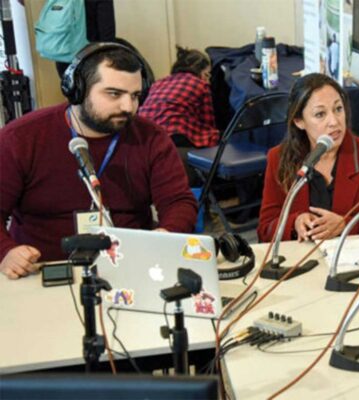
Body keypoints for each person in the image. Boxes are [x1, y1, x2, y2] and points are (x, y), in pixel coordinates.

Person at [0, 42, 198, 280]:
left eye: (135, 96)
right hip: (43, 271)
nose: (128, 107)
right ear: (78, 90)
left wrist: (167, 233)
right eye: (114, 94)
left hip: (129, 268)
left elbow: (178, 201)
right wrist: (6, 252)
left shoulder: (151, 137)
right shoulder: (21, 138)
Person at [257, 73, 359, 243]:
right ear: (299, 121)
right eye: (320, 114)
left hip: (353, 257)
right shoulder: (278, 158)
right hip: (302, 256)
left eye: (338, 109)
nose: (334, 121)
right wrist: (294, 223)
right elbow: (265, 231)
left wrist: (345, 225)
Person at [138, 46, 219, 184]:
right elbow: (207, 124)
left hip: (145, 135)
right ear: (199, 72)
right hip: (174, 136)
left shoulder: (159, 82)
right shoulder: (200, 84)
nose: (208, 81)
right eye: (207, 75)